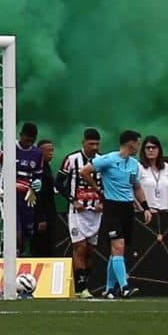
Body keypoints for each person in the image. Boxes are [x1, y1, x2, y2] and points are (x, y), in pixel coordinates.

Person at [91, 130, 143, 299]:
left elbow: (136, 187)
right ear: (131, 143)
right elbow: (85, 171)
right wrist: (98, 189)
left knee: (117, 251)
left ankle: (109, 289)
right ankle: (125, 287)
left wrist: (145, 206)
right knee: (118, 247)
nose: (139, 146)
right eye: (138, 143)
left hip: (127, 208)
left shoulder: (134, 164)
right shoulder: (108, 159)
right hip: (112, 207)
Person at [59, 128, 104, 298]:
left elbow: (107, 183)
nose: (94, 147)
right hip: (77, 212)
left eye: (97, 144)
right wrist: (73, 200)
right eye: (91, 143)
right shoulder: (72, 159)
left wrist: (102, 201)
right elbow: (59, 183)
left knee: (90, 250)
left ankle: (86, 285)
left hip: (95, 212)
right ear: (83, 142)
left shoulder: (102, 161)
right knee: (80, 247)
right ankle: (81, 288)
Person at [13, 122, 44, 256]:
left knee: (27, 232)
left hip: (28, 198)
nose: (28, 143)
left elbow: (38, 174)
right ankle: (14, 257)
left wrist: (38, 182)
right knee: (16, 233)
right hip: (11, 197)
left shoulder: (37, 153)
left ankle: (22, 257)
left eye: (32, 141)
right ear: (20, 136)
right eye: (26, 140)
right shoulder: (9, 148)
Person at [137, 135, 168, 216]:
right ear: (143, 150)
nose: (151, 150)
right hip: (146, 212)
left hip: (164, 212)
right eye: (148, 148)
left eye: (154, 147)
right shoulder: (139, 167)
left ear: (159, 150)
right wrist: (142, 209)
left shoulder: (167, 167)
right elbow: (134, 190)